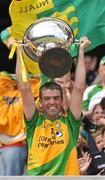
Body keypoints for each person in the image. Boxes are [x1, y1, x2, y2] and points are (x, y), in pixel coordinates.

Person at [15, 36, 90, 175]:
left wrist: (81, 51)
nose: (52, 102)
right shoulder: (33, 123)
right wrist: (19, 52)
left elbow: (79, 88)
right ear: (41, 103)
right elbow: (24, 88)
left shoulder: (70, 123)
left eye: (56, 98)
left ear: (62, 100)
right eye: (47, 99)